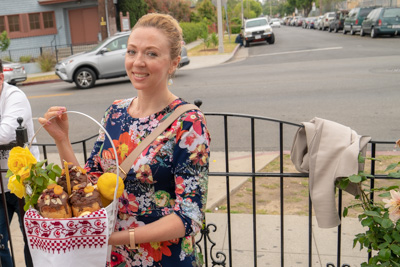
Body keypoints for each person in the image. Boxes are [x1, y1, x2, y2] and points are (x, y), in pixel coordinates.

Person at [38, 13, 210, 266]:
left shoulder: (188, 122)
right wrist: (63, 140)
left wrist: (114, 237)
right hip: (112, 258)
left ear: (173, 62)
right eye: (132, 51)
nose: (138, 62)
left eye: (151, 54)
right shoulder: (115, 113)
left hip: (164, 259)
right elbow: (88, 186)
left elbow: (189, 216)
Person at [0, 59, 38, 267]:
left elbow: (6, 133)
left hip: (25, 184)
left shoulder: (14, 96)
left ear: (1, 78)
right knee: (0, 245)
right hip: (0, 186)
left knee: (32, 240)